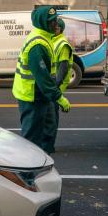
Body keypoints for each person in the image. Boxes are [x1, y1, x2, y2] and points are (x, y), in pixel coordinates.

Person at [12, 6, 71, 154]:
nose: (56, 24)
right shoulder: (38, 45)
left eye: (55, 20)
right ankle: (27, 175)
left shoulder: (45, 37)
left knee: (44, 133)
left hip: (39, 95)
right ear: (43, 23)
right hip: (32, 97)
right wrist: (59, 98)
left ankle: (41, 165)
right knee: (32, 140)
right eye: (52, 21)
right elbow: (43, 78)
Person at [48, 18, 75, 152]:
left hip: (56, 85)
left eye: (57, 28)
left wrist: (54, 87)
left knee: (52, 116)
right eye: (53, 26)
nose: (54, 28)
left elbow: (63, 68)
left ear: (61, 30)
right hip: (52, 84)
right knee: (49, 115)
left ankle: (49, 146)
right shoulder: (53, 40)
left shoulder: (63, 44)